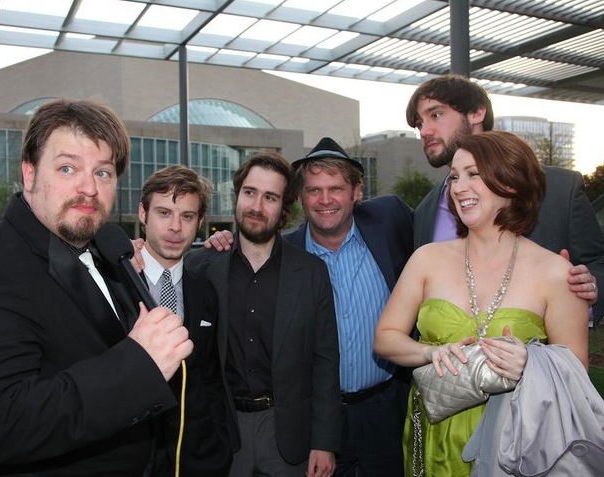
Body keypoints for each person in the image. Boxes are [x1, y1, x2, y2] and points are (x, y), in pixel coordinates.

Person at [0, 99, 192, 476]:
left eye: (103, 173)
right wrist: (139, 365)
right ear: (29, 174)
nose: (88, 188)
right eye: (67, 168)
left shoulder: (103, 249)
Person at [373, 131, 589, 477]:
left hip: (516, 438)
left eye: (473, 174)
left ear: (511, 181)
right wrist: (430, 353)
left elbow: (577, 374)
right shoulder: (426, 259)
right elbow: (385, 338)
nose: (458, 187)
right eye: (454, 177)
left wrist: (531, 361)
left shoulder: (558, 274)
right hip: (433, 434)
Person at [205, 138, 414, 477]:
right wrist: (221, 242)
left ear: (356, 192)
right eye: (314, 190)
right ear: (300, 198)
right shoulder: (281, 255)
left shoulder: (389, 226)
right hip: (310, 421)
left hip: (385, 408)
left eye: (336, 188)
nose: (326, 199)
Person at [406, 74, 604, 324]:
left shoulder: (559, 189)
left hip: (535, 358)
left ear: (476, 113)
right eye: (419, 124)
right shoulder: (424, 212)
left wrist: (590, 287)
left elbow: (601, 263)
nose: (425, 131)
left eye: (436, 115)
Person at [187, 152, 341, 477]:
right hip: (224, 429)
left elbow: (325, 362)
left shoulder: (312, 273)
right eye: (250, 192)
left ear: (284, 208)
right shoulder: (201, 267)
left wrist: (324, 442)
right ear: (237, 195)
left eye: (270, 197)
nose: (257, 206)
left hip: (288, 432)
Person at [138, 166, 231, 476]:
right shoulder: (116, 283)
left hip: (198, 457)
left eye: (187, 216)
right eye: (164, 213)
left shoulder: (205, 290)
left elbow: (211, 375)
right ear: (143, 213)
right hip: (132, 455)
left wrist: (217, 440)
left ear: (200, 222)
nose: (175, 227)